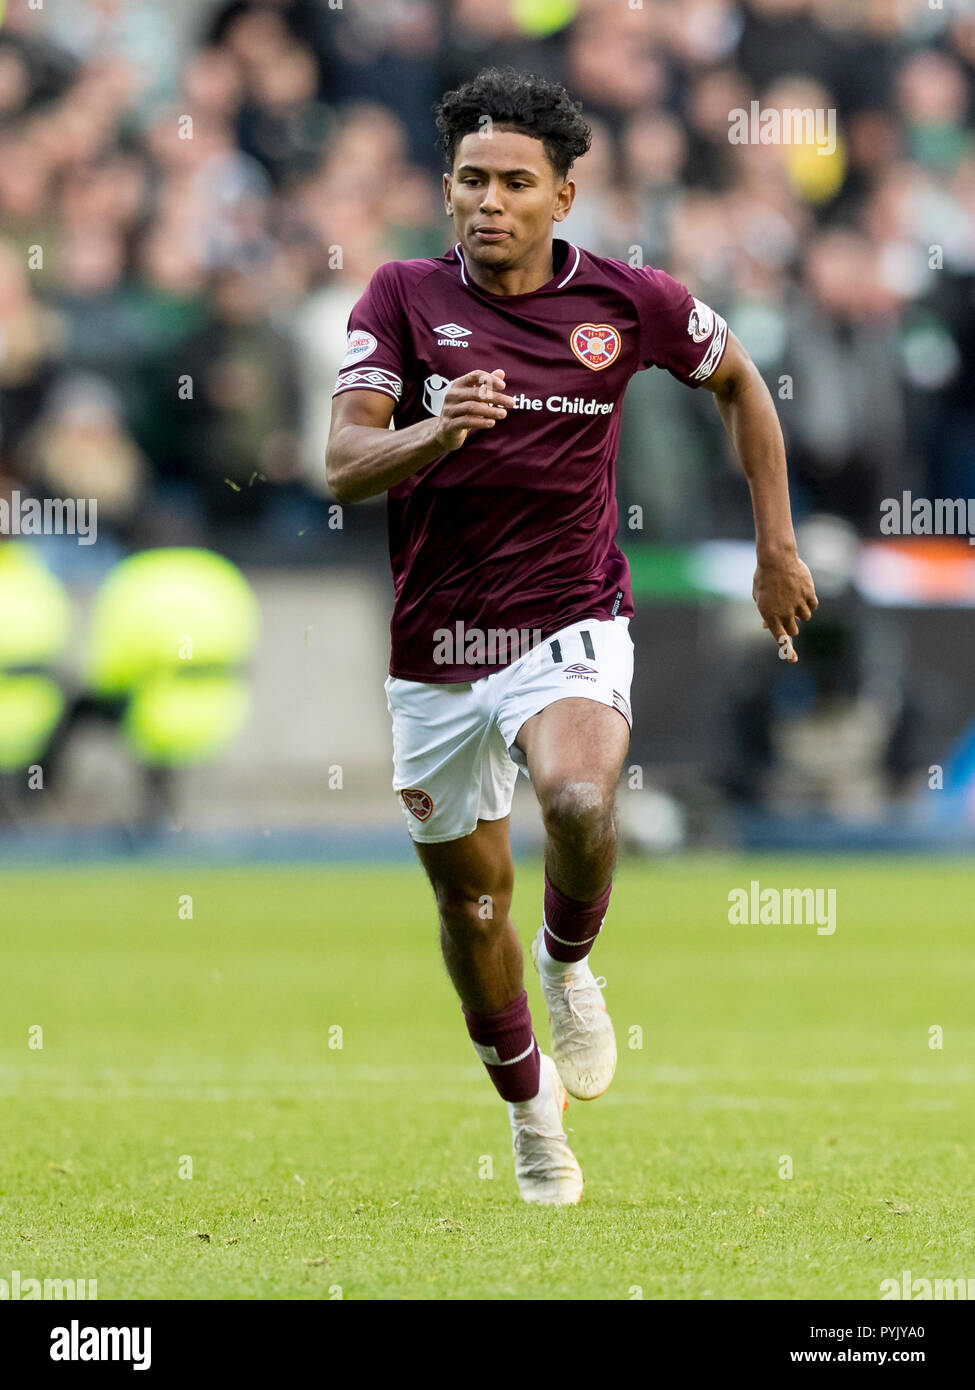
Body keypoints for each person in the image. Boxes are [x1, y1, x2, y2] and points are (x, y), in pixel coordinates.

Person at [325, 68, 818, 1205]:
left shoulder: (630, 302)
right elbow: (343, 464)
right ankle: (529, 1111)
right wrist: (433, 433)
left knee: (585, 802)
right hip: (438, 646)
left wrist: (776, 547)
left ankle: (572, 959)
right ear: (445, 190)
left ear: (563, 196)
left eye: (512, 182)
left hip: (571, 613)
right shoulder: (398, 298)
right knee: (468, 903)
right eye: (467, 180)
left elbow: (741, 383)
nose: (485, 202)